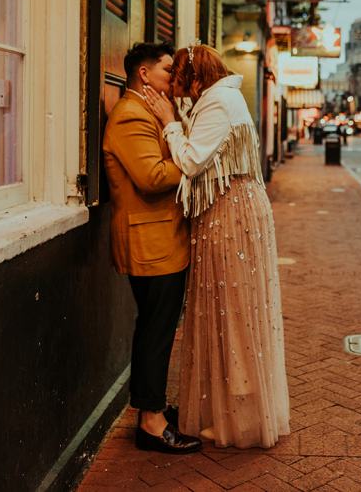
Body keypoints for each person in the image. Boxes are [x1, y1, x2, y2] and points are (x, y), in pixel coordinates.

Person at [143, 44, 290, 450]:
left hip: (230, 215)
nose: (174, 86)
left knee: (232, 313)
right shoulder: (222, 98)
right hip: (230, 209)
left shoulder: (219, 103)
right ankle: (228, 411)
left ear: (194, 77)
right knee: (229, 311)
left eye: (179, 78)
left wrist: (170, 122)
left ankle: (236, 418)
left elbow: (191, 161)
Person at [102, 43, 202, 454]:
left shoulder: (152, 113)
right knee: (156, 333)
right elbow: (153, 176)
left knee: (158, 329)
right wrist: (196, 160)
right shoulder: (130, 116)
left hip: (163, 238)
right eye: (166, 70)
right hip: (150, 241)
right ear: (144, 74)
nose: (173, 78)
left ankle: (153, 408)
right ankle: (151, 422)